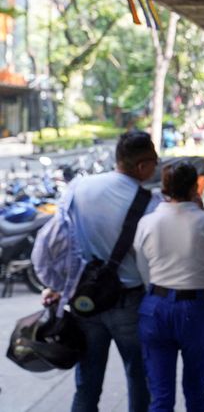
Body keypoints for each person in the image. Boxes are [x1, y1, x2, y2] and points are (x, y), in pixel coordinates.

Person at [41, 131, 162, 412]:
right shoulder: (149, 204)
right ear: (142, 166)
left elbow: (57, 240)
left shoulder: (79, 187)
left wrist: (57, 284)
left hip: (86, 300)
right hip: (129, 303)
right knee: (140, 378)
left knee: (87, 384)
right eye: (154, 162)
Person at [133, 162, 204, 412]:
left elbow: (143, 270)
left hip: (154, 306)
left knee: (161, 395)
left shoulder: (147, 222)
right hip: (194, 308)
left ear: (164, 189)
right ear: (195, 187)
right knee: (196, 390)